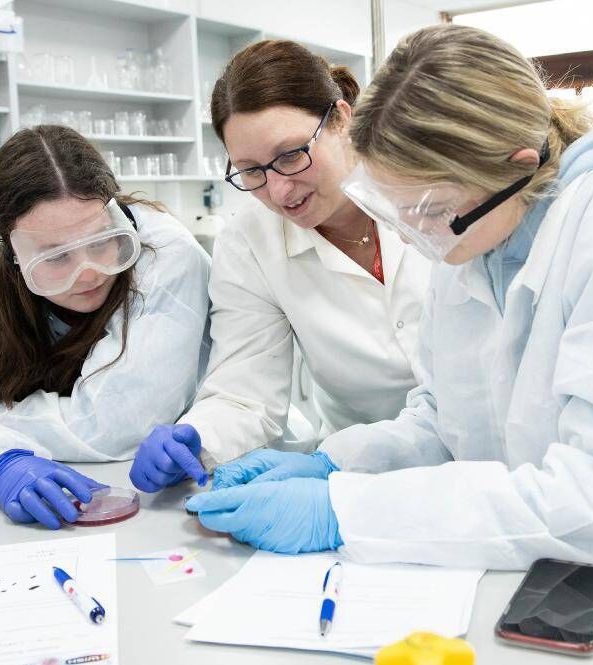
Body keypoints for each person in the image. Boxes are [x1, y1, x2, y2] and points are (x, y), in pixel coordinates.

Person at [186, 25, 593, 569]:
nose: (413, 232)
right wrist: (335, 463)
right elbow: (443, 419)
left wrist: (346, 510)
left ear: (516, 168)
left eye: (428, 211)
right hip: (526, 561)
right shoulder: (475, 234)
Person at [129, 40, 431, 493]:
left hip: (501, 455)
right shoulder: (250, 243)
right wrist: (198, 438)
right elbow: (246, 390)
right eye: (250, 171)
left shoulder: (429, 190)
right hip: (360, 473)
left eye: (291, 155)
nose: (279, 190)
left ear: (341, 120)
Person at [0, 125, 211, 529]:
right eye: (56, 258)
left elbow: (111, 426)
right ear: (14, 253)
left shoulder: (165, 255)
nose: (87, 273)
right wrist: (0, 462)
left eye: (100, 241)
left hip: (176, 495)